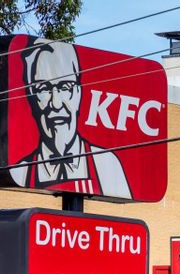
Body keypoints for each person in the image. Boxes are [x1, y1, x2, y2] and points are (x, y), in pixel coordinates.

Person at [9, 38, 132, 199]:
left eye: (65, 87)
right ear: (32, 99)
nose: (56, 103)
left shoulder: (107, 165)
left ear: (78, 94)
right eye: (44, 88)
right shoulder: (20, 173)